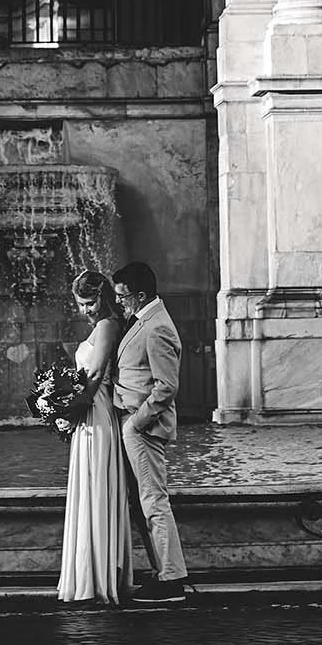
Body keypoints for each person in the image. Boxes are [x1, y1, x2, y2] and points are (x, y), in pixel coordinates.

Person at [111, 260, 193, 601]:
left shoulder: (158, 327)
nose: (118, 302)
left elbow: (166, 387)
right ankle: (163, 570)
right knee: (142, 500)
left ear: (140, 294)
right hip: (132, 422)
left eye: (123, 296)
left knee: (153, 500)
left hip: (142, 426)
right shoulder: (143, 319)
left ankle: (172, 579)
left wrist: (135, 423)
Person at [56, 268, 133, 607]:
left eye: (89, 303)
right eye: (80, 304)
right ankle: (92, 572)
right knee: (90, 489)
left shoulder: (107, 326)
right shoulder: (101, 326)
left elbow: (96, 375)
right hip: (89, 417)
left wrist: (63, 409)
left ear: (102, 298)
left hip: (97, 416)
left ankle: (96, 577)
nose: (85, 310)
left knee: (95, 489)